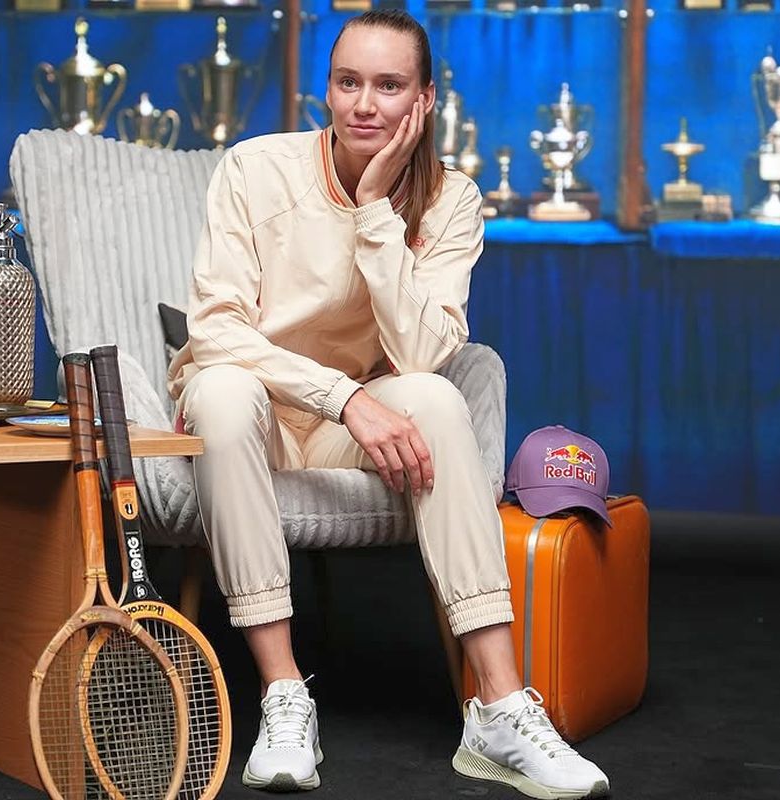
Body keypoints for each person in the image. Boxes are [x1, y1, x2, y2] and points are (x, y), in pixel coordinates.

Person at [166, 9, 609, 798]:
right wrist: (343, 397)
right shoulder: (255, 168)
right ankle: (282, 693)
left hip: (349, 424)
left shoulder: (452, 199)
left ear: (425, 100)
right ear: (327, 90)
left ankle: (500, 707)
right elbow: (217, 332)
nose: (364, 105)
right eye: (348, 82)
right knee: (224, 391)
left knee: (436, 398)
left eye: (389, 85)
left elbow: (420, 354)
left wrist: (375, 211)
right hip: (254, 411)